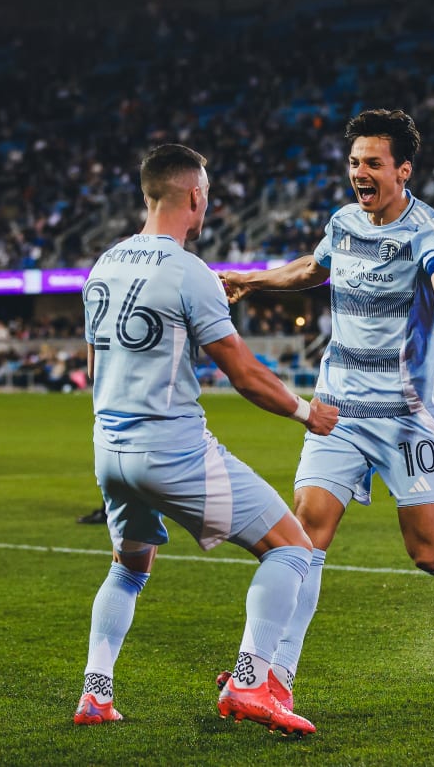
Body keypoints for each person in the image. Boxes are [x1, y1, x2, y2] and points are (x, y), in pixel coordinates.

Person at [219, 109, 434, 714]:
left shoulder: (430, 229)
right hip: (337, 410)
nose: (360, 173)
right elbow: (314, 269)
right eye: (353, 163)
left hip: (405, 417)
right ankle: (273, 677)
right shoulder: (343, 222)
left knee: (427, 551)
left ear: (403, 169)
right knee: (304, 539)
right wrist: (254, 281)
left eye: (373, 163)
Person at [73, 143, 338, 737]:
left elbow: (94, 362)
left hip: (110, 452)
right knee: (292, 547)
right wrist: (305, 413)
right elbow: (243, 373)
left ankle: (96, 693)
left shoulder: (103, 265)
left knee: (128, 569)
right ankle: (249, 680)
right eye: (207, 195)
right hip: (171, 450)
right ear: (194, 197)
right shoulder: (189, 272)